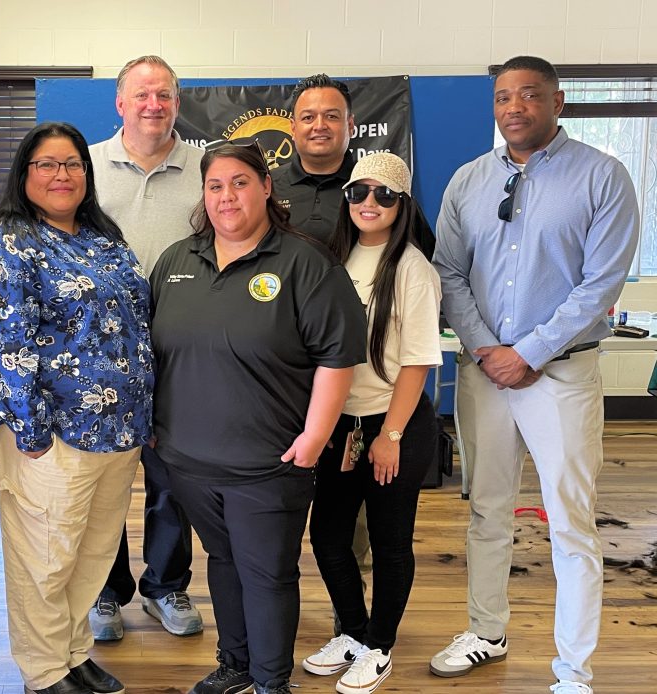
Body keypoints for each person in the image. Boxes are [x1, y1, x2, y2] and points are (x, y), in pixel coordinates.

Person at [430, 56, 640, 694]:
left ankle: (573, 671)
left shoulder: (604, 176)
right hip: (483, 373)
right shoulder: (469, 179)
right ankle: (486, 632)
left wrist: (530, 352)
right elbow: (448, 271)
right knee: (487, 511)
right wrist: (489, 348)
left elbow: (600, 283)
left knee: (570, 521)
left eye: (529, 95)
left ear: (559, 101)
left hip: (561, 376)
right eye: (502, 97)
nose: (513, 107)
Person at [150, 141, 366, 694]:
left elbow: (337, 356)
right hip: (188, 460)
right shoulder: (177, 261)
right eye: (215, 185)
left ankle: (272, 683)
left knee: (267, 574)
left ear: (267, 187)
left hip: (269, 463)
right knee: (221, 562)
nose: (227, 196)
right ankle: (237, 665)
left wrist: (316, 436)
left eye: (240, 182)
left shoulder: (306, 264)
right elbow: (155, 353)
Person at [0, 122, 154, 694]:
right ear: (24, 175)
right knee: (44, 561)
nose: (61, 175)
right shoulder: (9, 243)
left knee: (92, 556)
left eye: (72, 164)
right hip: (50, 436)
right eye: (46, 164)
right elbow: (3, 344)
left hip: (118, 432)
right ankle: (43, 670)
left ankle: (74, 653)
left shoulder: (105, 238)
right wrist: (30, 430)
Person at [302, 153, 441, 694]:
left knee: (388, 542)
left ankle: (380, 646)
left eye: (384, 195)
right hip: (342, 424)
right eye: (359, 192)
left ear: (402, 204)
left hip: (393, 424)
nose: (369, 203)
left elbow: (419, 361)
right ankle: (356, 634)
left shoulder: (412, 268)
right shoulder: (331, 258)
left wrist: (392, 436)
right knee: (328, 537)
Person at [86, 54, 204, 641]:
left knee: (170, 480)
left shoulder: (206, 169)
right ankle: (104, 592)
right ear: (120, 103)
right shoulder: (83, 170)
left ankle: (166, 586)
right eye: (142, 95)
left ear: (177, 103)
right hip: (101, 360)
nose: (153, 105)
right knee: (106, 481)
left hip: (182, 357)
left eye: (164, 94)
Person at [272, 73, 436, 254]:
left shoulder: (381, 188)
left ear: (350, 125)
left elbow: (427, 257)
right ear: (293, 128)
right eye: (308, 118)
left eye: (332, 116)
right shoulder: (265, 187)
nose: (319, 126)